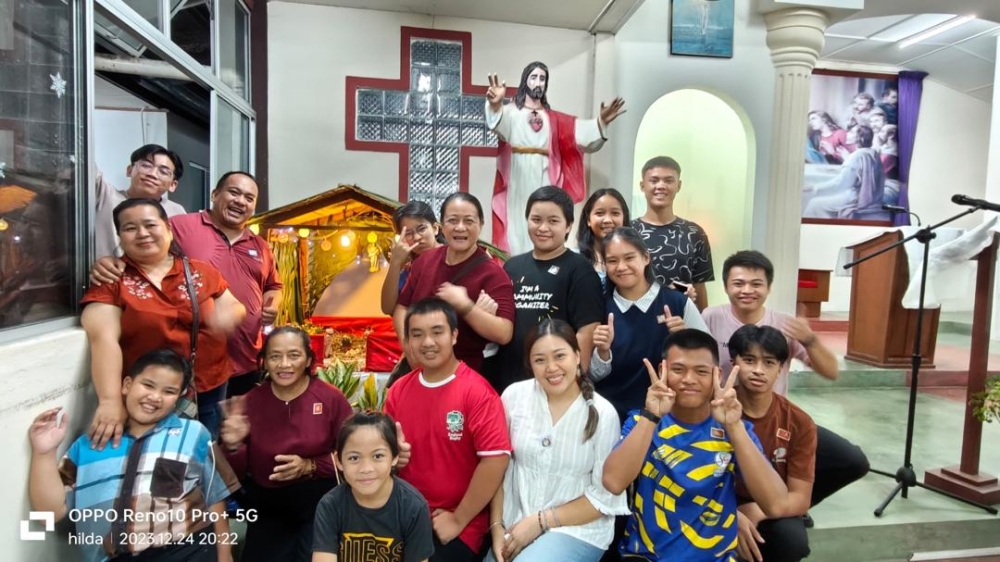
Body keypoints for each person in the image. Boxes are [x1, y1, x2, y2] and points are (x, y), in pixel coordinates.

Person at [28, 348, 240, 562]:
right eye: (148, 385)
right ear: (127, 385)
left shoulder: (194, 433)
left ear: (178, 397)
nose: (155, 397)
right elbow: (51, 513)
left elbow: (215, 499)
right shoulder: (89, 445)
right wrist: (44, 453)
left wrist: (224, 556)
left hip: (186, 551)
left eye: (169, 391)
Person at [701, 250, 868, 521]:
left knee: (852, 461)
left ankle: (788, 507)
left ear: (768, 287)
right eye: (738, 283)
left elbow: (831, 372)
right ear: (726, 286)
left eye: (756, 284)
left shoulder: (783, 324)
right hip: (725, 418)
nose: (747, 290)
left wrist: (811, 340)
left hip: (775, 419)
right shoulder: (711, 317)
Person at [601, 329, 789, 562]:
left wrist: (734, 427)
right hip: (645, 557)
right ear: (663, 371)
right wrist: (652, 416)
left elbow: (776, 504)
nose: (689, 379)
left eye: (701, 371)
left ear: (717, 375)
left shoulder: (736, 430)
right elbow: (613, 482)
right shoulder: (641, 422)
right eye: (678, 370)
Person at [92, 171, 283, 399]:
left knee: (237, 430)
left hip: (247, 358)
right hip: (186, 367)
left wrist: (273, 305)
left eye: (249, 198)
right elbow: (144, 243)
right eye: (234, 192)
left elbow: (274, 285)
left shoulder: (260, 245)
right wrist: (107, 260)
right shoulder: (180, 226)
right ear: (215, 194)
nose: (240, 201)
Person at [81, 198, 246, 446]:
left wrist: (229, 315)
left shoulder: (201, 271)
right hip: (150, 392)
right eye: (130, 228)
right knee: (153, 455)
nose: (142, 233)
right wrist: (110, 401)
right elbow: (103, 340)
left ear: (168, 229)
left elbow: (233, 304)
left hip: (207, 384)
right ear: (120, 236)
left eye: (150, 225)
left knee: (202, 448)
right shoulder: (112, 280)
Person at [488, 319, 628, 562]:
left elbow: (604, 499)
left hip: (577, 531)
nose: (551, 368)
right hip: (514, 523)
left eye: (559, 356)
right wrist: (497, 526)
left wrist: (540, 521)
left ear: (577, 355)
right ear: (530, 365)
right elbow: (498, 469)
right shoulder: (514, 397)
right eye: (540, 360)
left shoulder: (603, 414)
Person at [385, 298, 512, 562]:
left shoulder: (477, 392)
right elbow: (386, 454)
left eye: (437, 332)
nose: (427, 342)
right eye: (417, 335)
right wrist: (394, 458)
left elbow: (496, 460)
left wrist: (458, 519)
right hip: (403, 516)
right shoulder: (398, 390)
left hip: (458, 523)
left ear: (454, 335)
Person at [220, 326, 354, 562]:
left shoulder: (331, 399)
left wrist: (311, 465)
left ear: (308, 360)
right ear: (263, 362)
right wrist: (233, 445)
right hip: (266, 508)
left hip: (319, 505)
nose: (284, 364)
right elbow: (233, 475)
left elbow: (353, 454)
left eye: (293, 355)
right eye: (275, 356)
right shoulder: (250, 402)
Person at [485, 62, 625, 255]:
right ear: (525, 80)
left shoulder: (554, 119)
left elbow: (582, 133)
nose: (538, 83)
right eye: (533, 77)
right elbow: (497, 125)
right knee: (517, 221)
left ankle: (544, 257)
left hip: (545, 175)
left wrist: (600, 122)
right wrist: (495, 104)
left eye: (542, 79)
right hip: (518, 176)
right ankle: (515, 261)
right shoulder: (511, 112)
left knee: (546, 216)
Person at [590, 227, 709, 421]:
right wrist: (602, 353)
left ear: (646, 258)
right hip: (611, 419)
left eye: (629, 258)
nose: (621, 267)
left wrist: (686, 340)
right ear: (604, 265)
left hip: (668, 419)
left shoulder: (678, 303)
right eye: (612, 261)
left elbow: (708, 363)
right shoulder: (599, 307)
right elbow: (592, 376)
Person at [393, 193, 515, 376]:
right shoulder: (425, 261)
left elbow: (504, 333)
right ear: (441, 226)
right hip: (421, 372)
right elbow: (402, 306)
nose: (460, 227)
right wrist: (408, 343)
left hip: (466, 377)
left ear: (481, 225)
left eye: (468, 221)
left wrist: (466, 307)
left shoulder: (493, 274)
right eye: (453, 220)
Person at [499, 186, 604, 389]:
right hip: (511, 379)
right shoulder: (512, 266)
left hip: (557, 379)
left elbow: (587, 329)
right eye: (536, 219)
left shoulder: (580, 269)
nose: (543, 228)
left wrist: (575, 379)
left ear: (568, 226)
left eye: (553, 221)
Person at [729, 325, 816, 562]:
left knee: (791, 541)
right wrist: (730, 515)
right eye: (749, 360)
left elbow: (800, 497)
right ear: (733, 362)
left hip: (768, 507)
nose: (758, 370)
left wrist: (756, 509)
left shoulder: (799, 422)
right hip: (714, 506)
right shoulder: (713, 410)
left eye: (769, 362)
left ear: (781, 368)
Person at [313, 411, 435, 562]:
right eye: (354, 458)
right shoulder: (330, 505)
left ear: (395, 456)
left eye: (378, 456)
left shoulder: (414, 507)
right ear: (338, 461)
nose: (366, 468)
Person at [632, 156, 712, 310]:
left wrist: (701, 327)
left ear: (679, 185)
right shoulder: (628, 232)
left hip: (682, 318)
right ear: (642, 186)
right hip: (637, 317)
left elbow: (700, 286)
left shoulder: (695, 233)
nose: (661, 186)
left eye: (668, 181)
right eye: (654, 180)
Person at [95, 144, 186, 259]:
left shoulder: (177, 211)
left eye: (163, 172)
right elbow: (84, 165)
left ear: (173, 185)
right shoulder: (105, 194)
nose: (152, 174)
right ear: (129, 170)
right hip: (104, 274)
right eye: (146, 165)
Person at [805, 124, 886, 220]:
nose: (847, 134)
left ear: (860, 138)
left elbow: (841, 183)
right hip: (871, 198)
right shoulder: (873, 153)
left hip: (855, 199)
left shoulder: (857, 156)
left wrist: (815, 187)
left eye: (852, 132)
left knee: (814, 203)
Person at [380, 200, 444, 315]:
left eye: (422, 229)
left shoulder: (453, 255)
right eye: (408, 233)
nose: (417, 237)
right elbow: (387, 308)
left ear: (435, 228)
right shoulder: (409, 269)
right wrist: (395, 263)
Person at [577, 188, 631, 288]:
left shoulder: (635, 257)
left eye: (615, 213)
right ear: (588, 219)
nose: (607, 220)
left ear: (624, 218)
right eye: (600, 213)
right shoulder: (574, 258)